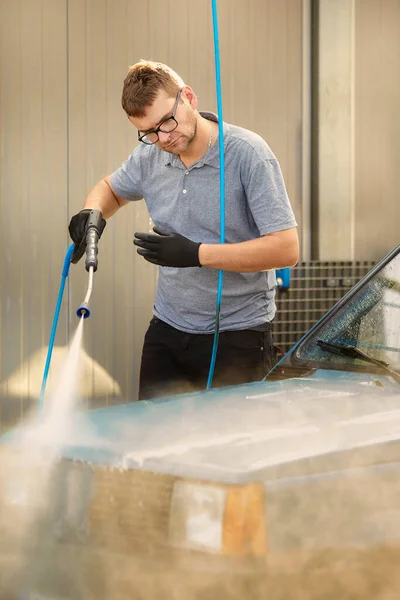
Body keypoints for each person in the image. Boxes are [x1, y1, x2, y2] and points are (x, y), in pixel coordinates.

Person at [68, 59, 299, 400]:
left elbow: (286, 250)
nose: (162, 137)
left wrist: (197, 255)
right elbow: (112, 188)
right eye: (148, 132)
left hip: (237, 336)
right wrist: (92, 212)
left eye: (166, 122)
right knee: (154, 440)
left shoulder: (248, 155)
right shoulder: (149, 156)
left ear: (189, 97)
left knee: (224, 448)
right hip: (168, 330)